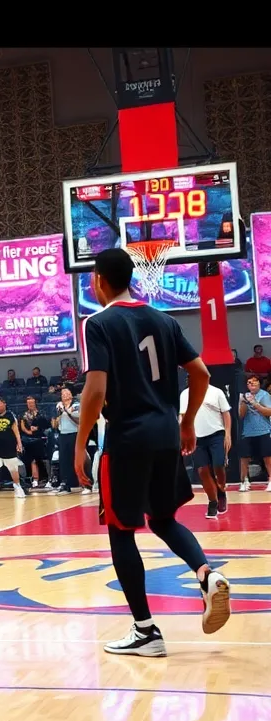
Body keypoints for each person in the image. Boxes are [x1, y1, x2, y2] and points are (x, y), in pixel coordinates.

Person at [75, 248, 231, 657]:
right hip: (166, 435)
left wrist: (80, 443)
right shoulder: (164, 319)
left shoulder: (98, 323)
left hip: (127, 437)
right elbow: (201, 372)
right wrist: (185, 421)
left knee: (120, 530)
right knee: (163, 518)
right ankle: (206, 575)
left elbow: (95, 390)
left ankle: (146, 630)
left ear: (99, 281)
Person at [179, 380, 231, 519]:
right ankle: (212, 502)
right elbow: (182, 416)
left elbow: (226, 413)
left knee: (218, 465)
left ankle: (221, 491)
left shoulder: (216, 392)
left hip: (216, 434)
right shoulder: (185, 394)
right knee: (202, 470)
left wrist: (228, 434)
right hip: (196, 437)